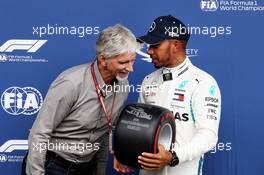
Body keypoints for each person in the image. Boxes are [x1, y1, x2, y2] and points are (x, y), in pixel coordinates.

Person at [25, 24, 141, 175]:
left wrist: (99, 171)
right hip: (52, 164)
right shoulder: (71, 82)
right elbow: (40, 133)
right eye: (123, 62)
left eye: (133, 60)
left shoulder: (123, 85)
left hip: (85, 168)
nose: (130, 68)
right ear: (103, 59)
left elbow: (105, 132)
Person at [136, 15, 221, 175]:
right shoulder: (149, 80)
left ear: (175, 45)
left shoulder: (203, 82)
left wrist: (173, 157)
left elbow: (208, 135)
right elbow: (139, 127)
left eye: (155, 45)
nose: (149, 51)